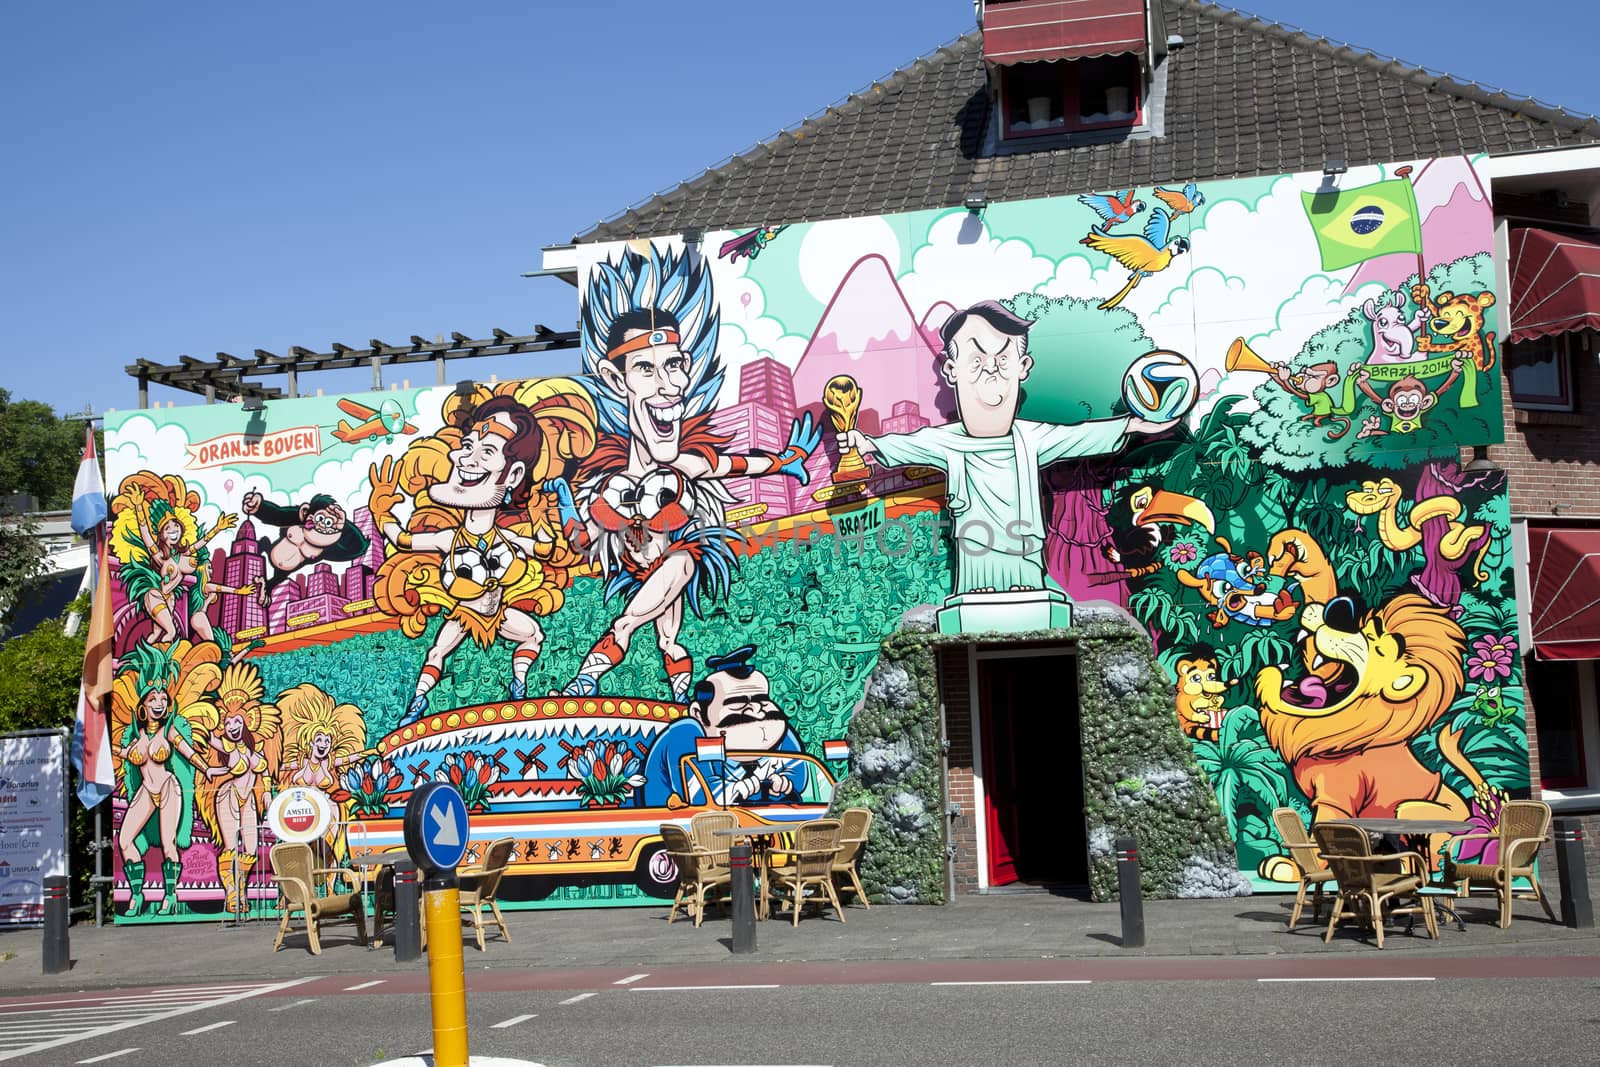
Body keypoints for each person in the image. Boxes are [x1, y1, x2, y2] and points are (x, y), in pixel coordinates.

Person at [550, 246, 819, 701]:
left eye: (675, 365)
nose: (670, 386)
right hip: (638, 569)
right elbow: (582, 541)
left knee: (632, 616)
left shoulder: (685, 466)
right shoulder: (609, 484)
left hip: (681, 556)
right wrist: (565, 507)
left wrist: (786, 461)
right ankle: (680, 701)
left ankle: (586, 678)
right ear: (617, 381)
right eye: (647, 369)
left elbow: (734, 465)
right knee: (668, 639)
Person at [837, 300, 1177, 595]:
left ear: (1023, 367)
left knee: (1030, 610)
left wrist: (1133, 424)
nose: (990, 371)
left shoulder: (1032, 438)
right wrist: (865, 443)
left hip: (1026, 563)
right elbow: (907, 445)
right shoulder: (947, 442)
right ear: (952, 371)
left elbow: (1080, 436)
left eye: (1002, 360)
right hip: (973, 566)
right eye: (976, 361)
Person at [639, 645, 807, 808]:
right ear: (699, 713)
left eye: (762, 700)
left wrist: (784, 782)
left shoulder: (775, 729)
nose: (757, 710)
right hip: (680, 830)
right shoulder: (684, 733)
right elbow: (702, 795)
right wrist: (745, 786)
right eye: (739, 703)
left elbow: (799, 773)